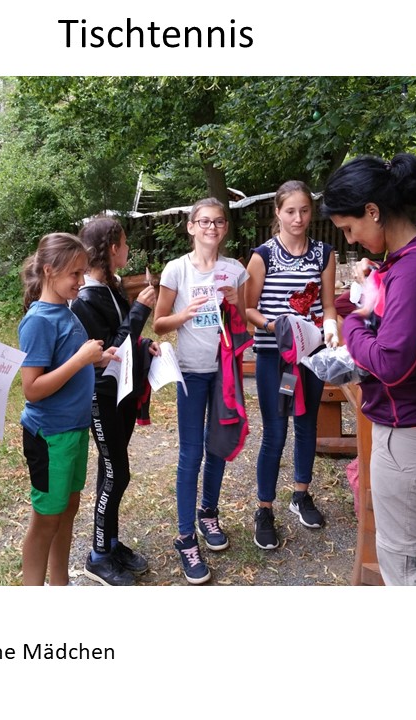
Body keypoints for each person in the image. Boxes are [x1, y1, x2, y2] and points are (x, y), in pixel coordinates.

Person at [321, 153, 416, 586]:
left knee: (404, 564)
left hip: (414, 435)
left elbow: (390, 363)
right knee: (414, 554)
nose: (350, 240)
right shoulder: (415, 255)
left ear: (373, 211)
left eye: (349, 228)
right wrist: (372, 287)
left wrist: (353, 322)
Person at [153, 197, 248, 584]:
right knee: (191, 454)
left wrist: (235, 304)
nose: (212, 227)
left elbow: (245, 321)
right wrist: (185, 314)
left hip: (225, 372)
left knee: (218, 446)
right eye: (205, 221)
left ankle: (208, 514)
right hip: (191, 373)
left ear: (225, 228)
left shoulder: (234, 270)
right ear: (191, 227)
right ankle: (185, 536)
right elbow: (159, 323)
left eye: (219, 222)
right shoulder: (177, 269)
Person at [18, 232, 117, 586]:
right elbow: (32, 389)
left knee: (68, 510)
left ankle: (59, 584)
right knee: (46, 518)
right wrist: (80, 360)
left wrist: (97, 360)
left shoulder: (64, 311)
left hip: (73, 431)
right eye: (74, 273)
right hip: (50, 437)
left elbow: (66, 363)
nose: (81, 280)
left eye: (82, 272)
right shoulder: (39, 321)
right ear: (48, 271)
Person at [243, 180, 337, 550]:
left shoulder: (324, 254)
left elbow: (328, 305)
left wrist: (330, 328)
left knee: (307, 424)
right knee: (275, 431)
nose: (298, 218)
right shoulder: (262, 255)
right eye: (290, 211)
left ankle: (301, 493)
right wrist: (274, 327)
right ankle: (264, 508)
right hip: (274, 357)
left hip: (311, 355)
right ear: (278, 213)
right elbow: (248, 308)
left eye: (304, 211)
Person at [71, 218, 160, 586]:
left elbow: (122, 338)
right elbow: (107, 349)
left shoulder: (111, 286)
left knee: (112, 471)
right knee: (115, 473)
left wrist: (145, 346)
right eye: (124, 243)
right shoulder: (84, 299)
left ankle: (108, 542)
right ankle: (97, 557)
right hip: (102, 396)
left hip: (121, 393)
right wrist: (140, 311)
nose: (128, 249)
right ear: (111, 248)